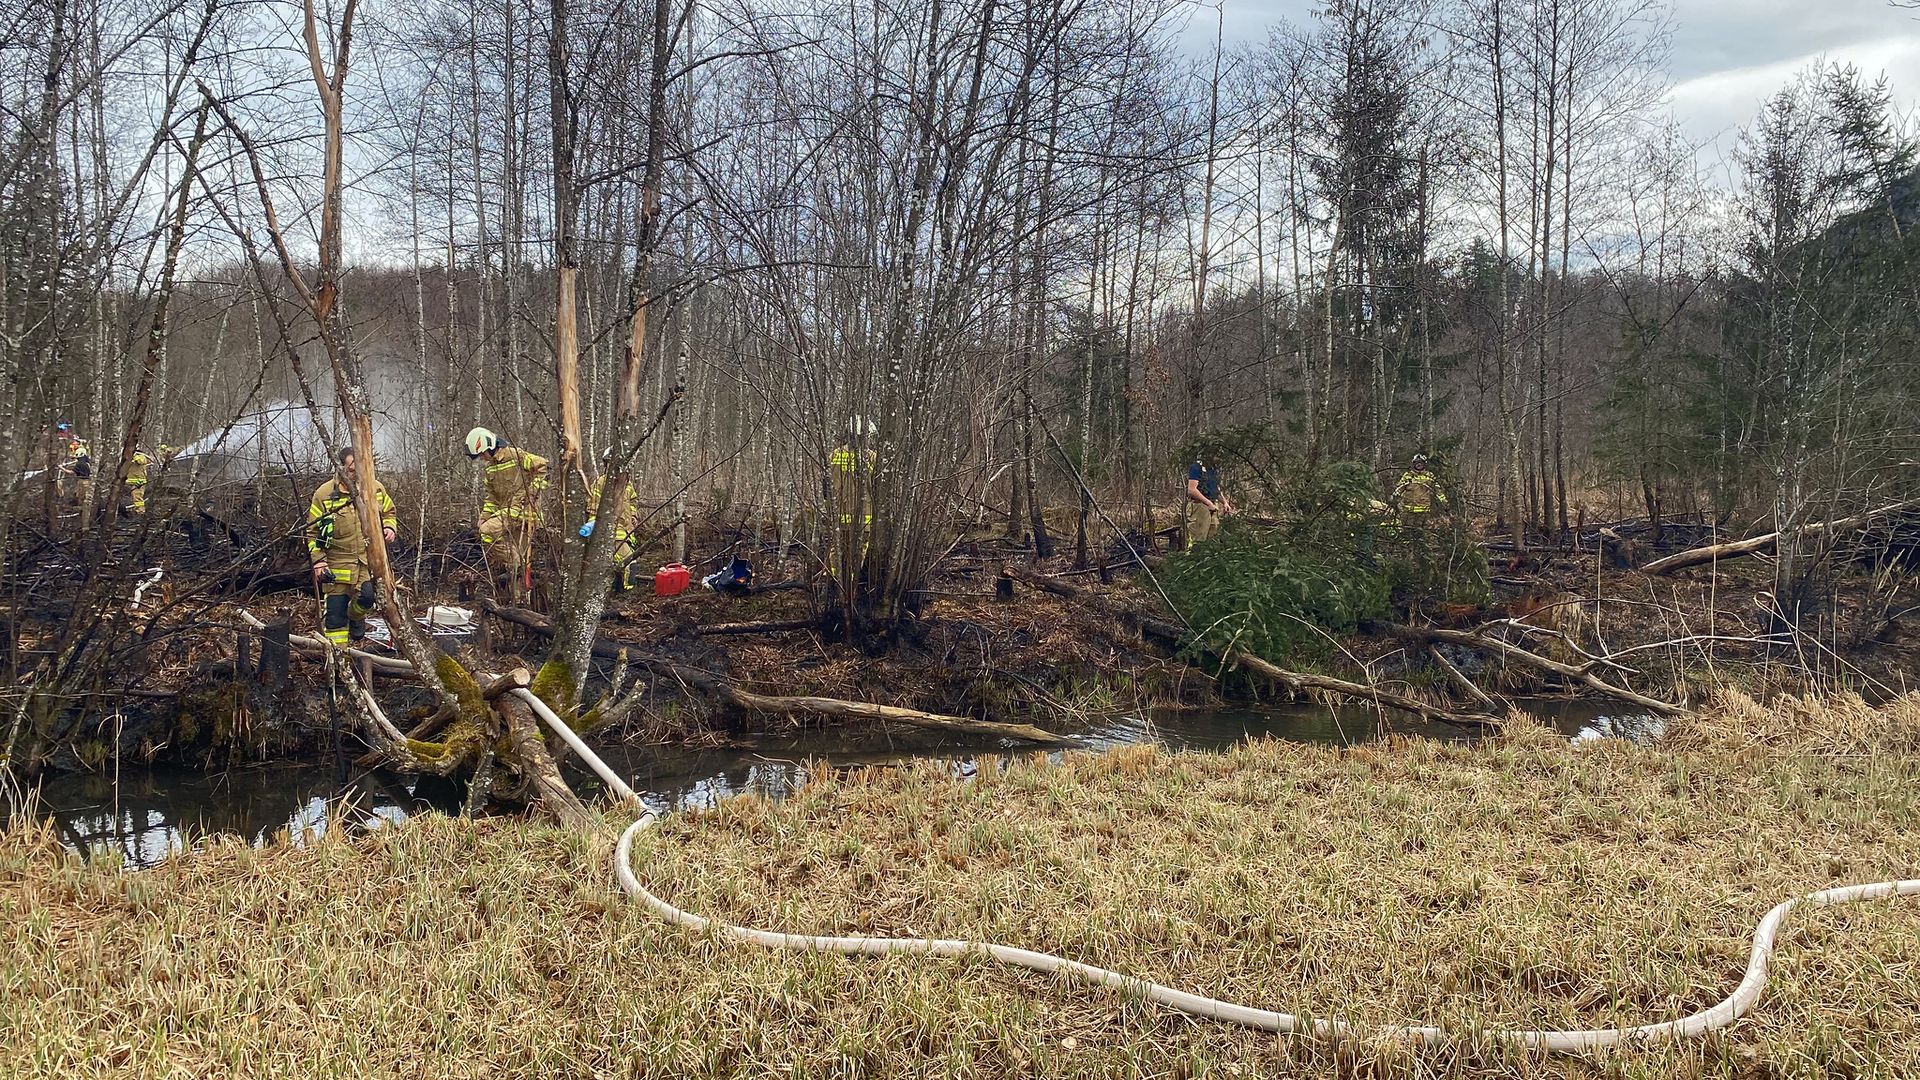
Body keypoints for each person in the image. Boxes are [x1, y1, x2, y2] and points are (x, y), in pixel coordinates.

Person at [306, 448, 397, 648]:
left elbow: (389, 511)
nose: (357, 474)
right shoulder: (324, 495)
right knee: (335, 619)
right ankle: (340, 663)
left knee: (368, 597)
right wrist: (319, 562)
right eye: (352, 469)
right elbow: (311, 533)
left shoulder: (375, 489)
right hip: (336, 565)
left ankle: (355, 616)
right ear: (341, 468)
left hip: (366, 562)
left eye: (361, 469)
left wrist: (389, 527)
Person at [465, 426, 549, 598]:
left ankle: (515, 565)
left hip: (524, 513)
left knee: (488, 532)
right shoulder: (490, 469)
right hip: (506, 513)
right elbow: (492, 499)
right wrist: (484, 516)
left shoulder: (516, 456)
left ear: (489, 446)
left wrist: (531, 493)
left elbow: (543, 467)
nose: (482, 459)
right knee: (518, 557)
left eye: (482, 454)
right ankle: (519, 599)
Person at [826, 416, 877, 575]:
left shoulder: (834, 455)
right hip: (865, 515)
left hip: (839, 511)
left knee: (838, 547)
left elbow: (828, 488)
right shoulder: (872, 457)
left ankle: (835, 578)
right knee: (862, 548)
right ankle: (857, 578)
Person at [582, 471, 641, 590]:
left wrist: (634, 515)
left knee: (618, 564)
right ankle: (627, 592)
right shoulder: (601, 483)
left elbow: (633, 501)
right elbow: (593, 508)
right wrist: (594, 528)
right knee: (629, 562)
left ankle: (616, 591)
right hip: (611, 531)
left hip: (627, 530)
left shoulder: (627, 483)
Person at [1185, 455, 1234, 544]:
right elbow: (1192, 490)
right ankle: (1194, 556)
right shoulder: (1196, 467)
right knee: (1199, 539)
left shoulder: (1212, 470)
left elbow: (1215, 489)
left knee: (1213, 538)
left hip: (1212, 506)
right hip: (1198, 507)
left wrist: (1224, 502)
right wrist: (1207, 503)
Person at [1392, 452, 1447, 522]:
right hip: (1409, 511)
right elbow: (1399, 488)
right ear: (1413, 464)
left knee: (1422, 531)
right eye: (1417, 463)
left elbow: (1437, 490)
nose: (1419, 464)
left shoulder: (1429, 476)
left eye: (1421, 462)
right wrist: (1395, 497)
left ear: (1424, 464)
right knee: (1408, 531)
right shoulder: (1408, 475)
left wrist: (1444, 502)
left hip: (1424, 511)